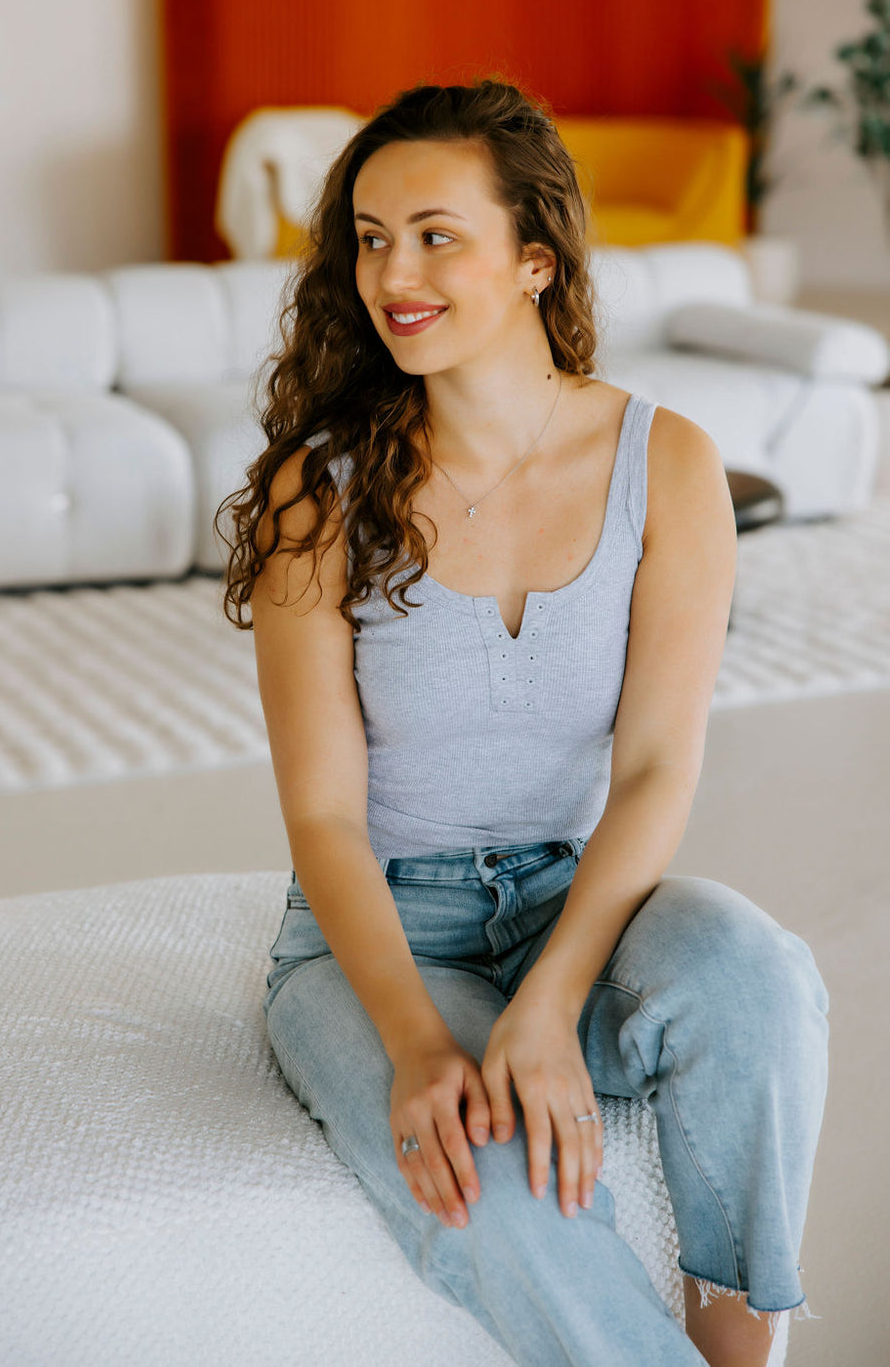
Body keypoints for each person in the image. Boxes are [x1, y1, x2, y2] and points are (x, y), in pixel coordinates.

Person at [218, 79, 830, 1367]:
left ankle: (741, 1349)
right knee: (483, 1182)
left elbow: (656, 768)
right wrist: (414, 1041)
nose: (394, 275)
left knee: (755, 974)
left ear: (535, 259)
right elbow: (321, 816)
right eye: (371, 239)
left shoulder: (668, 464)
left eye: (436, 235)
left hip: (570, 900)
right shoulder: (318, 494)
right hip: (378, 933)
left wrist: (550, 1003)